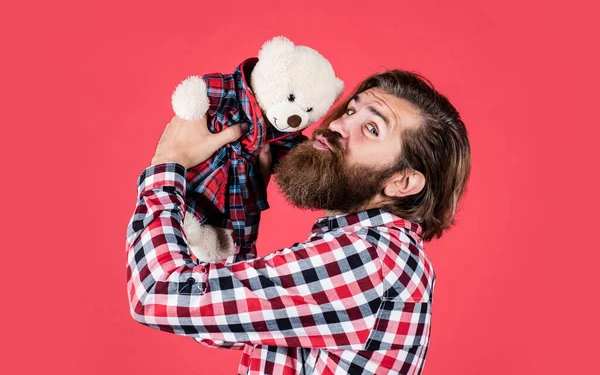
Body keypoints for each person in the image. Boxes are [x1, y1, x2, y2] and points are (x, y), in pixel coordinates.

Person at [125, 70, 471, 375]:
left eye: (371, 127)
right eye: (351, 110)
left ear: (402, 182)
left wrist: (166, 166)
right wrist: (243, 206)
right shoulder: (376, 252)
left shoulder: (366, 258)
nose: (337, 125)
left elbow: (158, 293)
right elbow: (229, 322)